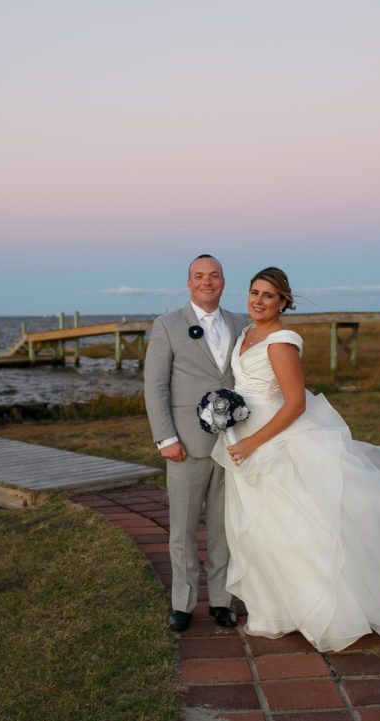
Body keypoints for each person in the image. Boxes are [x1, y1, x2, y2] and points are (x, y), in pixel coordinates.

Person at [211, 267, 380, 652]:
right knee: (260, 530)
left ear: (284, 302)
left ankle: (322, 611)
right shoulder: (247, 334)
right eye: (254, 292)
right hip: (243, 439)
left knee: (295, 528)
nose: (258, 300)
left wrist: (253, 442)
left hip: (273, 442)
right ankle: (274, 611)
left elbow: (295, 404)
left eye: (268, 295)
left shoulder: (282, 341)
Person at [144, 254, 248, 631]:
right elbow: (155, 386)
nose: (207, 282)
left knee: (224, 528)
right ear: (189, 283)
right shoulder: (168, 325)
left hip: (232, 445)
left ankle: (221, 600)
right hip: (185, 445)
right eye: (199, 276)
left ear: (223, 281)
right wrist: (165, 438)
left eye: (214, 275)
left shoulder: (240, 323)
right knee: (183, 529)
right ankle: (183, 603)